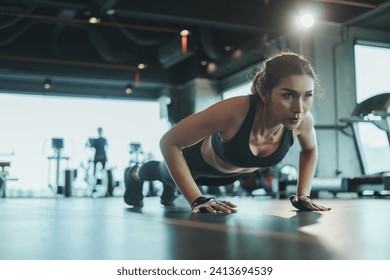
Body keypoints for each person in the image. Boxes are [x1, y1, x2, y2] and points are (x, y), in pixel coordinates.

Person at [124, 51, 331, 213]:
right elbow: (168, 142)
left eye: (307, 96)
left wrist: (303, 195)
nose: (300, 108)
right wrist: (197, 199)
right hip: (192, 165)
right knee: (160, 173)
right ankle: (132, 174)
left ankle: (170, 190)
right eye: (288, 95)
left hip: (227, 176)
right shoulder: (234, 111)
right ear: (264, 92)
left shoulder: (303, 121)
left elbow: (310, 150)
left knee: (170, 184)